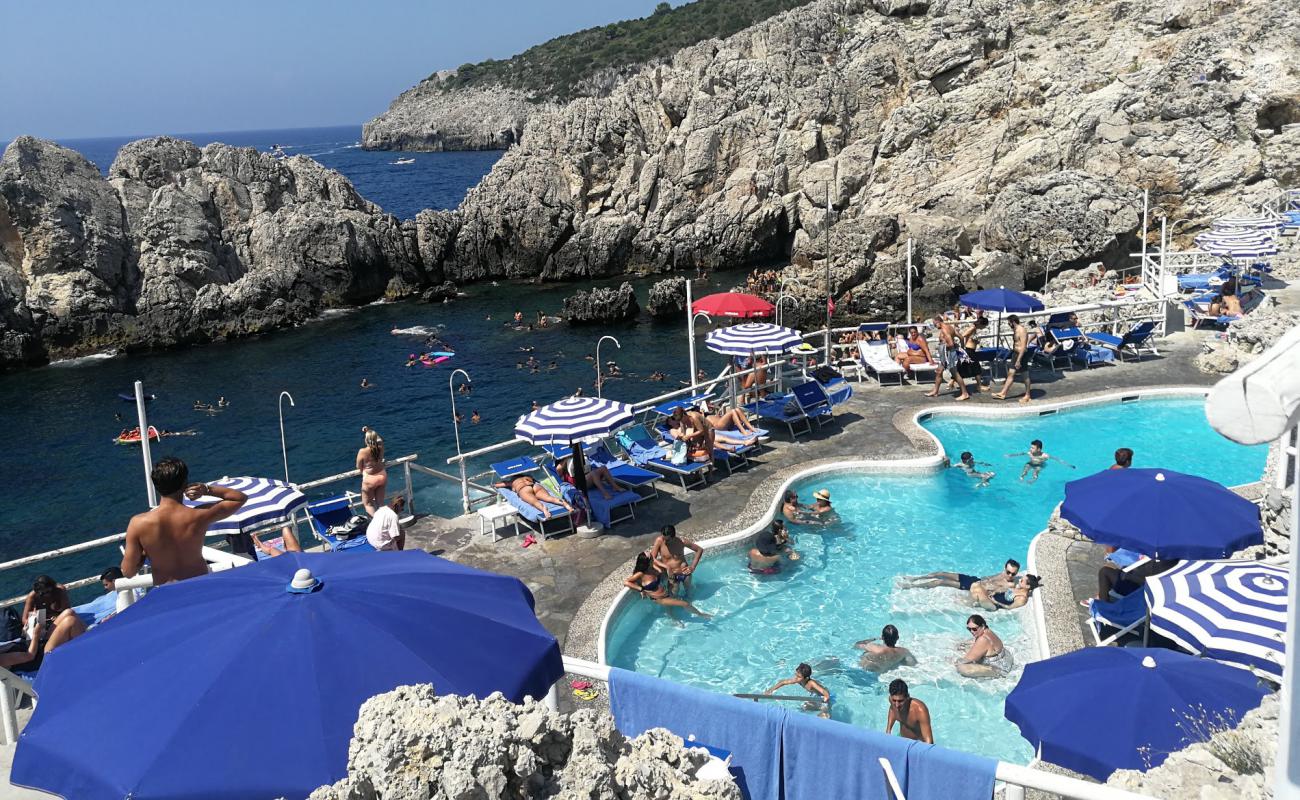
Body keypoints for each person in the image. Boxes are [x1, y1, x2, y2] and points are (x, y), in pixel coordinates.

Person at [121, 457, 247, 585]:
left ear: (156, 485)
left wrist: (144, 553)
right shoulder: (199, 515)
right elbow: (239, 498)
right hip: (199, 584)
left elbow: (128, 572)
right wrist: (207, 489)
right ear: (185, 484)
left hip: (167, 592)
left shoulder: (138, 524)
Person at [624, 553, 710, 617]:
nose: (653, 558)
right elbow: (626, 582)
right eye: (651, 558)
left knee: (670, 607)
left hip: (666, 593)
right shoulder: (640, 574)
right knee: (685, 604)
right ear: (647, 562)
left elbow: (661, 568)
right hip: (659, 599)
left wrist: (667, 568)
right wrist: (641, 589)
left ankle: (673, 618)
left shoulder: (652, 569)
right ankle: (701, 615)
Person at [904, 559, 1020, 592]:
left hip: (973, 586)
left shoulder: (1009, 584)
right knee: (941, 573)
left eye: (1013, 574)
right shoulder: (1002, 574)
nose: (1009, 575)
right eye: (1008, 571)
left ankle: (911, 587)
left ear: (1016, 573)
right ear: (1004, 568)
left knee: (941, 581)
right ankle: (915, 579)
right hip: (974, 579)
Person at [926, 315, 970, 401]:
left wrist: (941, 346)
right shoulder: (950, 327)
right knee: (939, 371)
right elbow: (961, 337)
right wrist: (962, 347)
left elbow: (950, 344)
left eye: (935, 324)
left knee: (954, 373)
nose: (935, 326)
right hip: (946, 354)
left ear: (938, 322)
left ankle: (965, 393)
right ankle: (935, 391)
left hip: (949, 353)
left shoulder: (944, 330)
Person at [651, 525, 704, 594]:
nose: (664, 541)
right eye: (663, 538)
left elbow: (699, 550)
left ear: (673, 537)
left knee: (689, 593)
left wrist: (692, 567)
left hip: (685, 573)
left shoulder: (681, 542)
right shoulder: (659, 541)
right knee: (673, 595)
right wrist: (667, 567)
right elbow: (651, 558)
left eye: (667, 540)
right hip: (672, 576)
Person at [494, 474, 573, 519]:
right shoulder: (527, 477)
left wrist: (498, 483)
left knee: (535, 502)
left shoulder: (512, 481)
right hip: (535, 486)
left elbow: (497, 485)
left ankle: (544, 510)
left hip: (523, 489)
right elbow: (533, 479)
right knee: (549, 498)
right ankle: (565, 504)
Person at [766, 663, 831, 718]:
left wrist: (826, 696)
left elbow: (823, 691)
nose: (796, 678)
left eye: (799, 676)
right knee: (803, 708)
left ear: (806, 678)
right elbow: (783, 682)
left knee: (824, 715)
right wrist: (770, 690)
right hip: (816, 696)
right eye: (796, 675)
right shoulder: (798, 680)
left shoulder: (811, 683)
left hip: (824, 697)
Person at [992, 315, 1032, 404]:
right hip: (1015, 354)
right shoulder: (1015, 330)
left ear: (1013, 322)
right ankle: (1003, 393)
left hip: (1021, 355)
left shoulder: (1022, 330)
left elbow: (1023, 347)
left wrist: (1018, 360)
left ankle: (1028, 395)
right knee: (1010, 374)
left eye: (1009, 323)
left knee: (1025, 375)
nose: (1008, 324)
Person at [1006, 439, 1074, 483]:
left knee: (1036, 472)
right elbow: (1020, 454)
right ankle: (1022, 477)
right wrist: (1010, 455)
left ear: (1039, 449)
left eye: (1032, 448)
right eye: (1030, 447)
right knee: (1026, 467)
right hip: (1031, 463)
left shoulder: (1045, 455)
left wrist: (1068, 465)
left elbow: (1057, 459)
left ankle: (1032, 480)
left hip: (1039, 465)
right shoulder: (1029, 453)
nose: (1030, 449)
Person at [356, 428, 387, 516]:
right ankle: (386, 521)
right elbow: (379, 439)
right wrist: (369, 430)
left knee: (368, 504)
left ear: (366, 440)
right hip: (382, 476)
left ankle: (378, 523)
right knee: (380, 503)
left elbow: (358, 466)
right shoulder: (380, 447)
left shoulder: (362, 451)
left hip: (370, 479)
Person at [971, 573, 1041, 610]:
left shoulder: (1022, 598)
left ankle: (975, 603)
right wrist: (996, 592)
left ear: (1027, 586)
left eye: (1022, 580)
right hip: (991, 598)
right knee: (976, 584)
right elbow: (1005, 591)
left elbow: (1009, 607)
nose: (1020, 580)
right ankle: (976, 603)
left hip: (993, 605)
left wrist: (996, 602)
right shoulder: (1018, 588)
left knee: (977, 590)